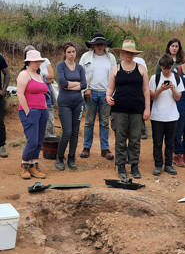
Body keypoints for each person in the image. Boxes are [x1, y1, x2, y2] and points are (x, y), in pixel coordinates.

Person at [106, 40, 150, 180]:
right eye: (126, 52)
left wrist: (147, 109)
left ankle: (134, 165)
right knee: (120, 139)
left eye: (131, 53)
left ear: (134, 54)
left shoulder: (141, 68)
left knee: (135, 139)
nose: (128, 55)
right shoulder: (116, 69)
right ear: (122, 53)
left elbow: (146, 90)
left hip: (137, 109)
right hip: (119, 109)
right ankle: (121, 166)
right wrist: (107, 96)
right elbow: (110, 88)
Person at [79, 32, 116, 160]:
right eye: (97, 44)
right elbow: (81, 74)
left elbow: (114, 75)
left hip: (106, 93)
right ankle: (86, 147)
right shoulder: (86, 57)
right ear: (93, 45)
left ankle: (105, 149)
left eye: (102, 44)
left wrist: (110, 94)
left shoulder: (111, 58)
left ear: (105, 45)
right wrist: (86, 89)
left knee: (105, 122)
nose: (100, 46)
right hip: (91, 93)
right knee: (89, 122)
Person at [149, 54, 185, 176]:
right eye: (164, 68)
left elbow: (178, 97)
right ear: (161, 66)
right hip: (157, 116)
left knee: (170, 143)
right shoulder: (155, 78)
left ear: (172, 66)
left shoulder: (177, 79)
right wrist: (160, 90)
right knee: (157, 143)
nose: (166, 70)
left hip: (172, 116)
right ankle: (158, 165)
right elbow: (151, 96)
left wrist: (172, 89)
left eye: (168, 68)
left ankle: (168, 165)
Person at [17, 50, 49, 179]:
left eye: (39, 61)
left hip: (42, 111)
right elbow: (20, 93)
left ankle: (33, 165)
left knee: (40, 140)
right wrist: (27, 111)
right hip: (30, 111)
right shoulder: (24, 74)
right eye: (35, 61)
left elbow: (43, 93)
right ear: (28, 62)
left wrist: (45, 108)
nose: (38, 63)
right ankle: (24, 164)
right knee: (32, 140)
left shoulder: (39, 75)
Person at [55, 42, 87, 171]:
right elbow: (62, 83)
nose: (71, 54)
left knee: (75, 132)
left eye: (73, 51)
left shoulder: (79, 67)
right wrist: (77, 84)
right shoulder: (60, 66)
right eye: (69, 52)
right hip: (64, 103)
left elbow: (84, 84)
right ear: (64, 53)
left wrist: (70, 85)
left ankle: (72, 157)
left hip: (78, 103)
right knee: (66, 132)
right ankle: (59, 157)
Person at [24, 45, 56, 137]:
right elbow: (47, 79)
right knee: (37, 123)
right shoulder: (26, 70)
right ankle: (40, 142)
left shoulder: (45, 60)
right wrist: (45, 79)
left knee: (50, 121)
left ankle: (51, 142)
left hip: (47, 95)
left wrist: (42, 78)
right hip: (34, 99)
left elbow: (52, 76)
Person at [0, 52, 11, 158]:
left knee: (0, 122)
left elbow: (7, 74)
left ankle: (1, 146)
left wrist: (3, 90)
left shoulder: (0, 57)